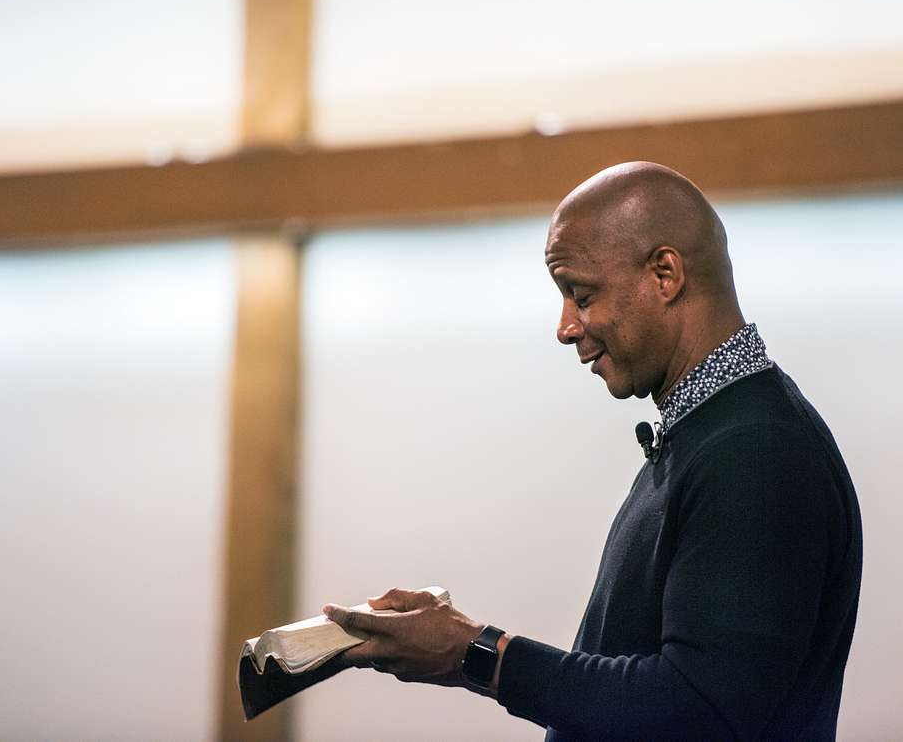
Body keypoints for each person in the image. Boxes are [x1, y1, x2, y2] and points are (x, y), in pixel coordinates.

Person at [322, 161, 863, 740]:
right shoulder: (708, 435)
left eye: (581, 295)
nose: (564, 327)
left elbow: (699, 709)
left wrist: (476, 653)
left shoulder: (756, 452)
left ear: (664, 275)